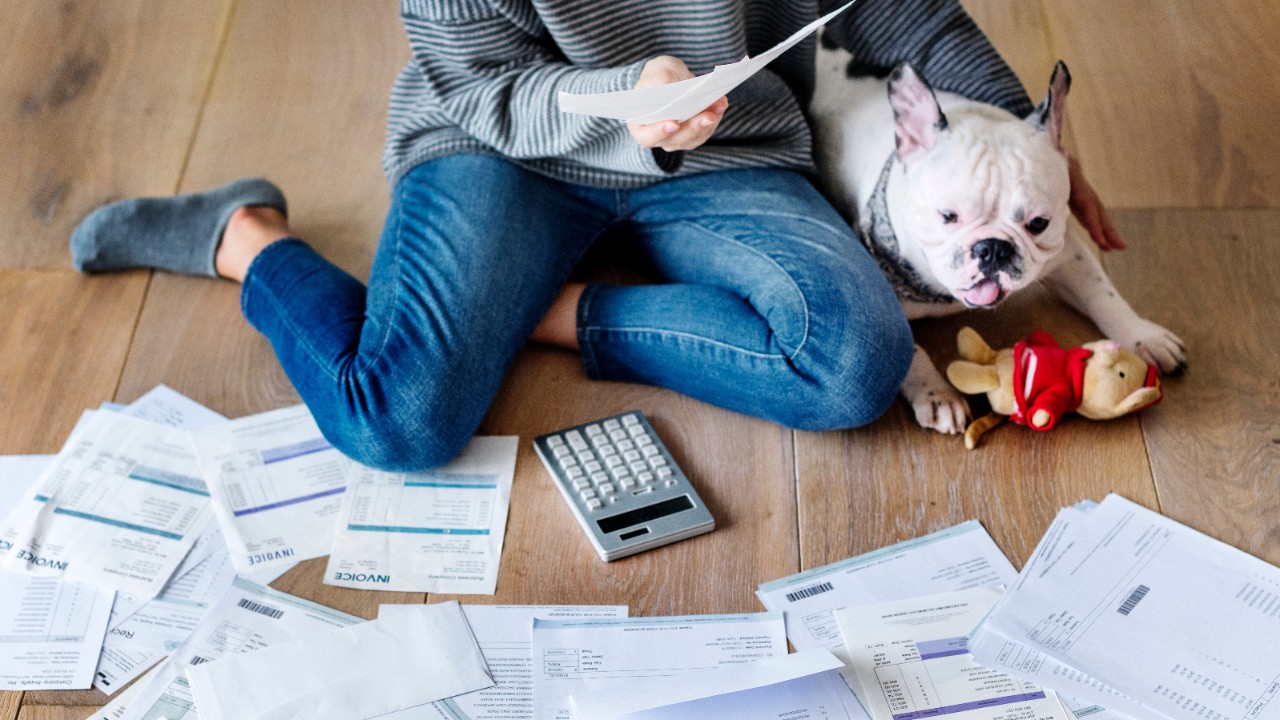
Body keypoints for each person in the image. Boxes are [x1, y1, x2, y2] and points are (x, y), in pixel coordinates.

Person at [70, 0, 1125, 472]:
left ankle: (555, 312)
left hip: (726, 144)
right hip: (504, 145)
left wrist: (1018, 154)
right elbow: (479, 87)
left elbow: (899, 11)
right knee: (394, 423)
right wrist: (618, 96)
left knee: (856, 364)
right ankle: (244, 237)